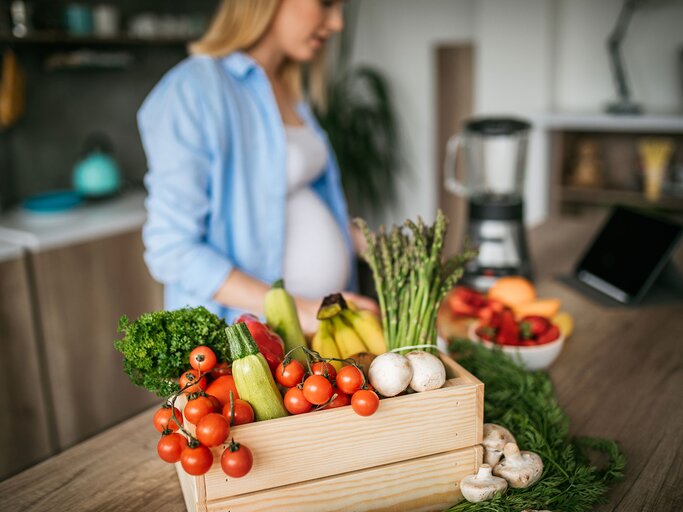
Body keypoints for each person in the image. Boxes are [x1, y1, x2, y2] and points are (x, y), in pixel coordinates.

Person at [137, 0, 377, 333]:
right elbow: (172, 250)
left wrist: (374, 245)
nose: (337, 23)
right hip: (246, 339)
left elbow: (295, 200)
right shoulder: (193, 88)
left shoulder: (287, 85)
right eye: (325, 3)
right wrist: (298, 308)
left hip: (317, 327)